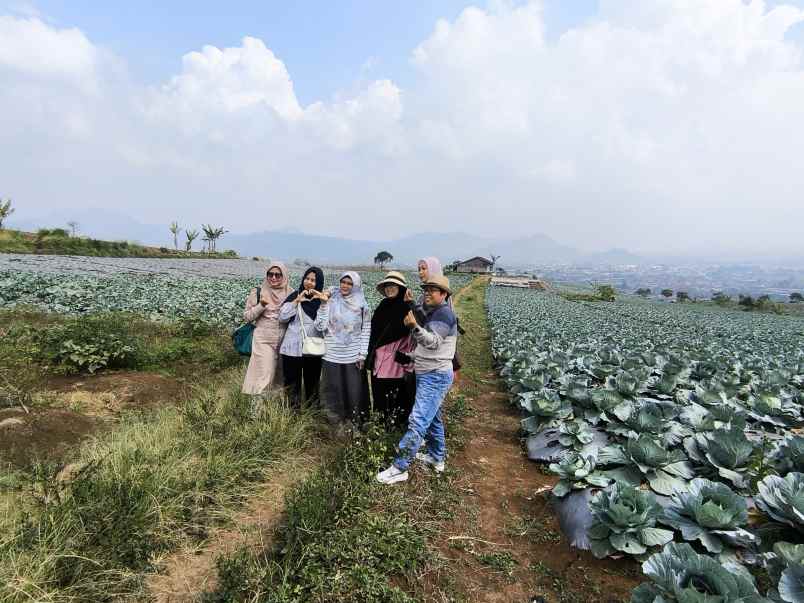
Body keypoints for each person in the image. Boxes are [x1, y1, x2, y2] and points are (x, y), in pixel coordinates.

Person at [376, 275, 457, 484]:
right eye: (426, 289)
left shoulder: (444, 314)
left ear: (444, 294)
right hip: (428, 372)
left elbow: (432, 343)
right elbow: (425, 348)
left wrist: (413, 326)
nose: (428, 292)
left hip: (435, 376)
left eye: (433, 290)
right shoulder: (432, 312)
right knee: (434, 419)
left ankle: (400, 467)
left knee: (418, 420)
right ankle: (437, 458)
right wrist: (411, 356)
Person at [315, 271, 371, 430]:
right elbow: (320, 326)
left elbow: (366, 329)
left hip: (353, 354)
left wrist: (362, 353)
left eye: (349, 283)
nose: (345, 286)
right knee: (333, 389)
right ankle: (334, 423)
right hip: (331, 352)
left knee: (353, 390)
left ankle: (355, 422)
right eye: (343, 282)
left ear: (356, 285)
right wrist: (324, 304)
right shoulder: (331, 299)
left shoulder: (362, 305)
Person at [366, 271, 415, 428]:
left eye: (393, 285)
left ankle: (394, 431)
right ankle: (380, 429)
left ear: (401, 288)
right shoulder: (382, 306)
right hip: (378, 362)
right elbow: (373, 333)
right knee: (380, 398)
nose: (389, 289)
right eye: (387, 286)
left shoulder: (407, 308)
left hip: (395, 364)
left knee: (395, 400)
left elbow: (414, 336)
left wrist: (407, 360)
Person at [242, 262, 292, 409]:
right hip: (263, 338)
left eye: (278, 274)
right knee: (264, 374)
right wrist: (261, 306)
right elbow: (247, 317)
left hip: (284, 339)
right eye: (270, 274)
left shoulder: (291, 293)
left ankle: (273, 411)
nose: (274, 278)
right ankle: (256, 412)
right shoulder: (258, 292)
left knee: (279, 376)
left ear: (284, 276)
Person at [278, 267, 326, 408]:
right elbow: (282, 317)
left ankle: (312, 411)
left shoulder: (322, 300)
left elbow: (322, 326)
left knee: (312, 381)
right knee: (291, 382)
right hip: (292, 348)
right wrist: (297, 301)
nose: (309, 282)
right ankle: (292, 411)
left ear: (319, 282)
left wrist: (323, 303)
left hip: (313, 348)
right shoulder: (294, 296)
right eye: (307, 278)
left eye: (313, 280)